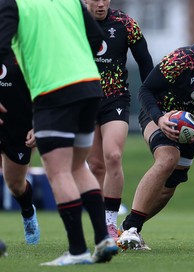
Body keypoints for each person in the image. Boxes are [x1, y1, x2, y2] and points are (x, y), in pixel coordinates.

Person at [0, 0, 118, 266]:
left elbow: (1, 46)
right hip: (89, 86)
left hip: (54, 91)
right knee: (78, 167)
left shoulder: (14, 4)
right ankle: (104, 239)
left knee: (60, 171)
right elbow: (96, 36)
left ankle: (77, 250)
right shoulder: (70, 1)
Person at [117, 27, 194, 250]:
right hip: (157, 114)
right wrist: (159, 118)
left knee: (170, 186)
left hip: (190, 129)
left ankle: (128, 228)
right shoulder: (181, 59)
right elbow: (145, 90)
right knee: (168, 158)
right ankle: (132, 229)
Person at [84, 0, 154, 241]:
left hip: (115, 99)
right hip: (84, 100)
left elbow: (145, 62)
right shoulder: (73, 22)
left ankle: (110, 224)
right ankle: (97, 222)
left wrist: (153, 99)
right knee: (95, 165)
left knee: (112, 156)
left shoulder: (125, 24)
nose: (101, 3)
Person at [0, 51, 39, 245]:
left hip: (19, 125)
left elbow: (43, 88)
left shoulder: (26, 48)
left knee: (15, 184)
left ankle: (27, 212)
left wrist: (37, 122)